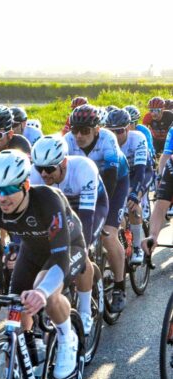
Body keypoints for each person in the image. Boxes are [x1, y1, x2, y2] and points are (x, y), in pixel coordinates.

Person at [0, 150, 85, 379]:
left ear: (26, 184)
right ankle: (26, 357)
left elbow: (60, 258)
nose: (1, 198)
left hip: (68, 249)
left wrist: (42, 292)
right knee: (16, 306)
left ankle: (67, 337)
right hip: (33, 251)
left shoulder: (47, 199)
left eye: (8, 190)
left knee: (44, 289)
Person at [30, 136, 105, 335]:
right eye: (39, 169)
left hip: (90, 208)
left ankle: (86, 310)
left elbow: (87, 217)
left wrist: (83, 246)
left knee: (81, 252)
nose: (44, 174)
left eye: (50, 169)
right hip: (61, 210)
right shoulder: (36, 175)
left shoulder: (83, 169)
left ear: (63, 163)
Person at [64, 105, 128, 312]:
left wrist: (102, 213)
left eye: (85, 131)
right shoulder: (67, 142)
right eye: (75, 131)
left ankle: (119, 287)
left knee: (108, 235)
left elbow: (110, 175)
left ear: (97, 130)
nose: (79, 136)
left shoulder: (108, 138)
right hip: (83, 186)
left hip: (114, 183)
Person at [106, 109, 152, 264]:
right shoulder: (106, 141)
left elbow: (140, 171)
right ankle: (122, 239)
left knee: (133, 203)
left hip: (141, 173)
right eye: (111, 131)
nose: (115, 135)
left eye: (119, 131)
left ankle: (138, 246)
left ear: (128, 128)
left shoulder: (138, 138)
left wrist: (135, 194)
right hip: (121, 176)